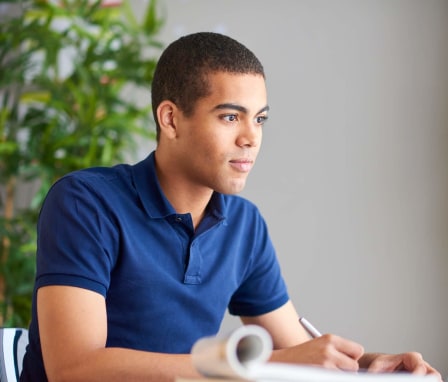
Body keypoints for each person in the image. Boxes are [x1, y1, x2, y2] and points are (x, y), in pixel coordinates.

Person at [20, 32, 441, 382]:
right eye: (229, 117)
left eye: (259, 119)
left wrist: (374, 367)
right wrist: (266, 363)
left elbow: (296, 348)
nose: (251, 138)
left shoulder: (244, 225)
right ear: (170, 119)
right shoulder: (85, 203)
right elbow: (73, 369)